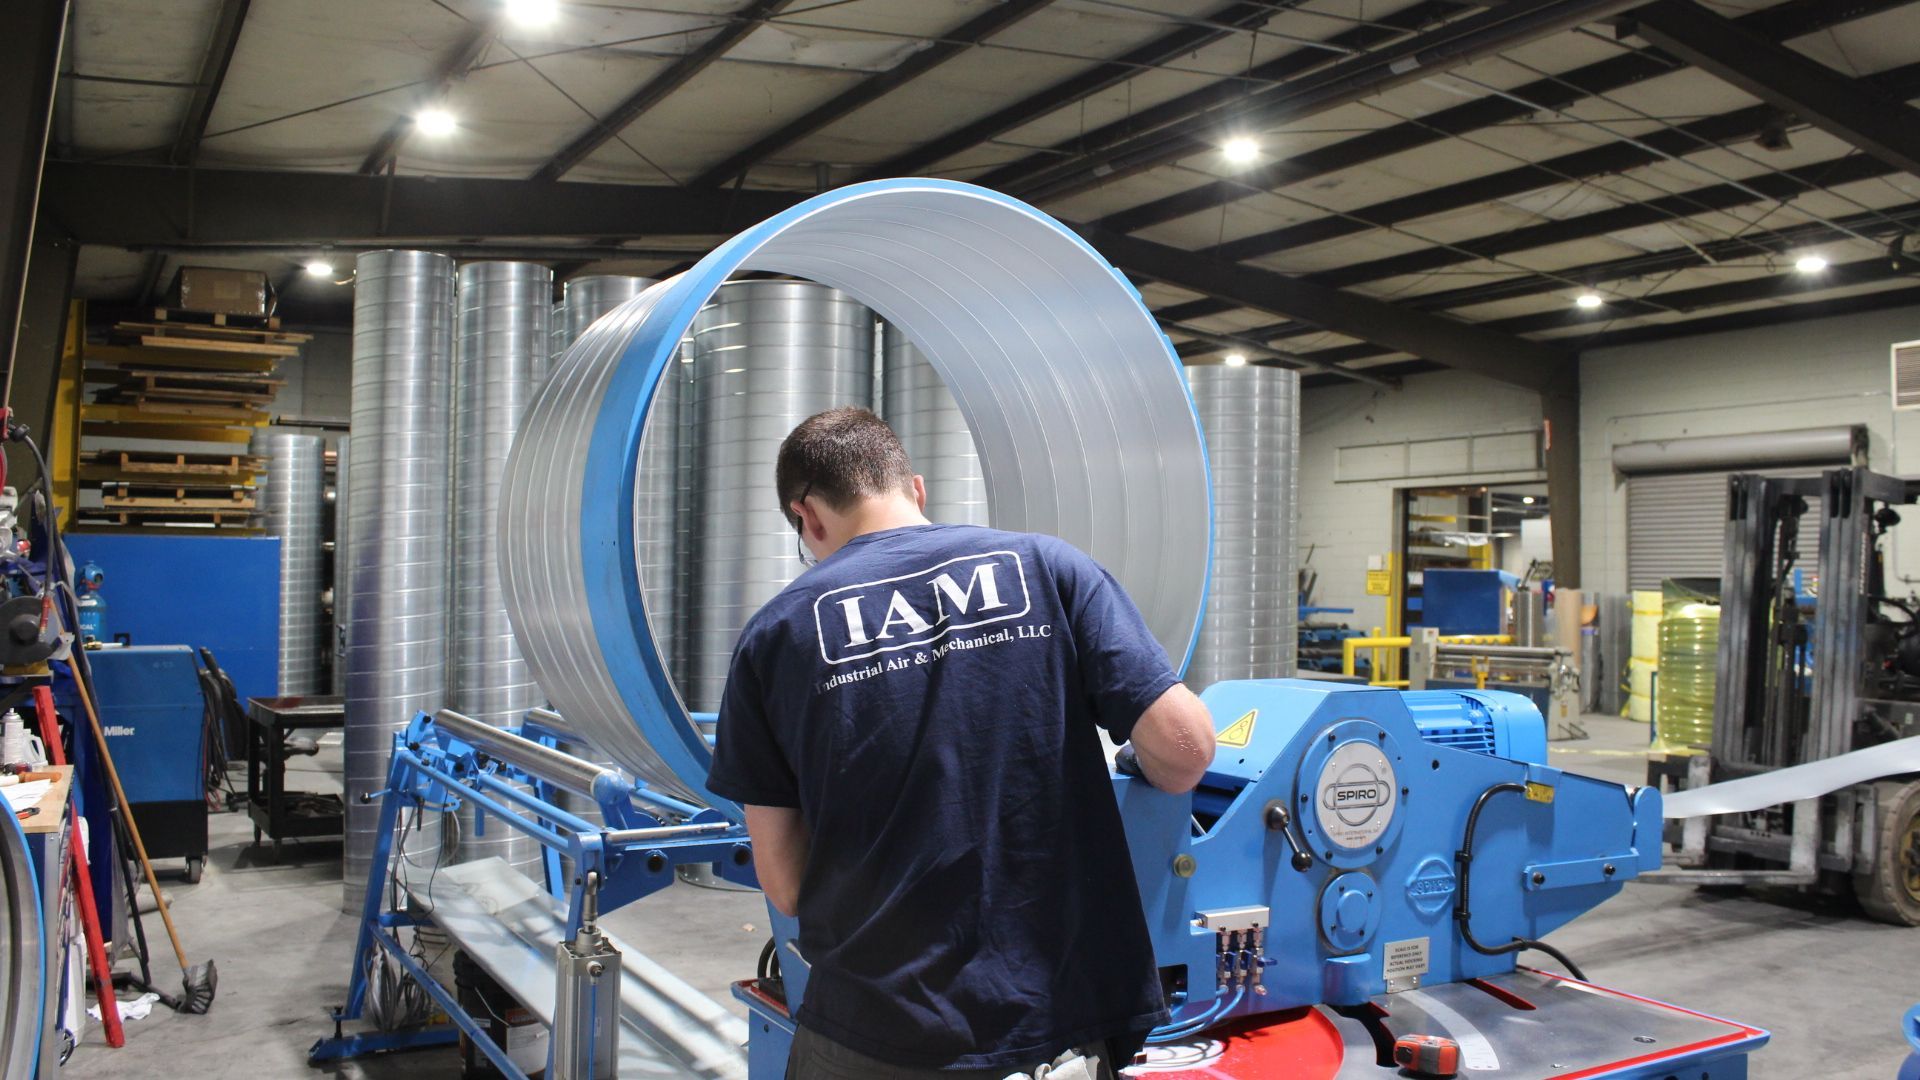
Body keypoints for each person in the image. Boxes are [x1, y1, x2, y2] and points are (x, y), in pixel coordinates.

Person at [707, 406, 1217, 1079]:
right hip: (1049, 1025)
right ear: (914, 489)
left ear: (808, 518)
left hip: (872, 1032)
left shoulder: (776, 636)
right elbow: (1185, 751)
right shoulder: (1047, 568)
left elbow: (787, 883)